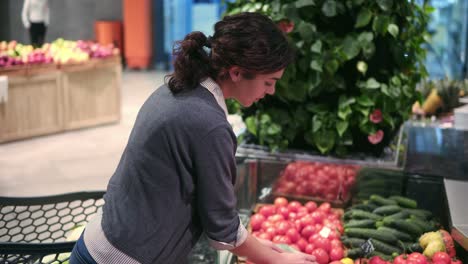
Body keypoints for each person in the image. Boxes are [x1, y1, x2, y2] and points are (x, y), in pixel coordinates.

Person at [70, 12, 317, 264]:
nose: (271, 91)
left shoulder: (178, 89)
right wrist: (276, 260)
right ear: (236, 72)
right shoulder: (209, 124)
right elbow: (222, 229)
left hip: (100, 244)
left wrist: (255, 245)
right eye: (269, 82)